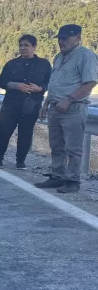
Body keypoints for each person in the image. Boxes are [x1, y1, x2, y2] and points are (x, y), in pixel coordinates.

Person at [36, 24, 98, 193]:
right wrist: (46, 103)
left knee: (73, 147)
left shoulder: (86, 56)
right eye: (60, 39)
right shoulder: (58, 57)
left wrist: (69, 100)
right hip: (55, 108)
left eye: (65, 38)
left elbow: (90, 82)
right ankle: (57, 176)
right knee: (56, 145)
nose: (61, 42)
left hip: (73, 109)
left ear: (78, 37)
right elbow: (54, 83)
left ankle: (72, 180)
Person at [0, 35, 51, 169]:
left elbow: (50, 82)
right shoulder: (11, 64)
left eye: (26, 45)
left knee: (26, 133)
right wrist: (16, 85)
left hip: (31, 105)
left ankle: (20, 162)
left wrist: (40, 88)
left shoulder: (44, 64)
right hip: (11, 105)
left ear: (34, 47)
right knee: (4, 131)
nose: (23, 48)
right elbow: (1, 82)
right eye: (21, 45)